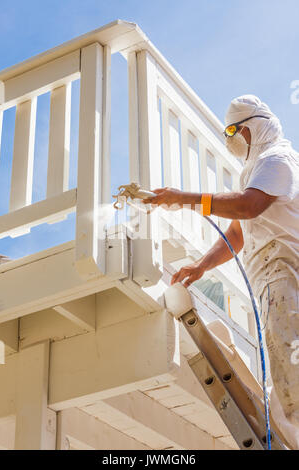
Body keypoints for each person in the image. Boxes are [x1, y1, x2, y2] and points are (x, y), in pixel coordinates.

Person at [143, 95, 299, 448]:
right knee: (285, 372)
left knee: (292, 377)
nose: (229, 139)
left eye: (232, 131)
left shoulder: (277, 159)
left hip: (286, 275)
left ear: (250, 128)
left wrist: (186, 198)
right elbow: (237, 231)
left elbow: (247, 207)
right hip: (276, 279)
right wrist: (201, 266)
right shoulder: (261, 169)